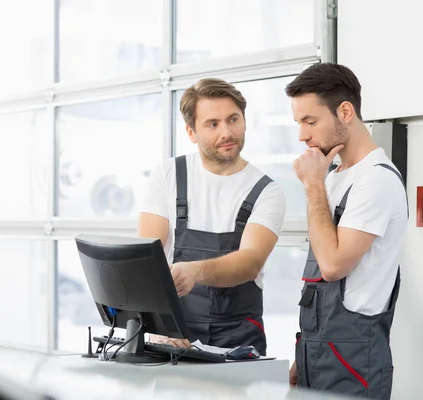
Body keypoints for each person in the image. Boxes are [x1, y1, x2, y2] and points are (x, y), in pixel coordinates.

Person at [137, 78, 286, 355]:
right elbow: (147, 257)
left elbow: (250, 262)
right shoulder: (168, 175)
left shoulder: (266, 191)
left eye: (233, 119)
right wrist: (162, 328)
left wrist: (193, 271)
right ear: (191, 132)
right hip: (173, 334)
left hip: (239, 339)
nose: (227, 132)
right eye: (213, 124)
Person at [286, 63, 408, 399]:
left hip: (353, 359)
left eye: (310, 121)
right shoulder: (335, 176)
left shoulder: (376, 179)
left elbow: (333, 265)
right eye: (298, 123)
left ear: (345, 111)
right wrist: (306, 354)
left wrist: (312, 184)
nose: (302, 135)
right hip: (318, 352)